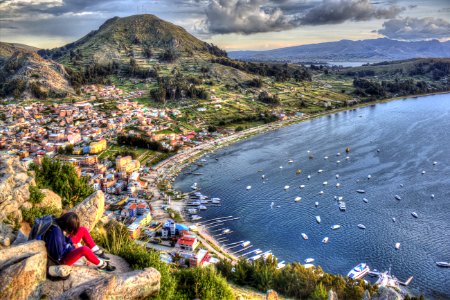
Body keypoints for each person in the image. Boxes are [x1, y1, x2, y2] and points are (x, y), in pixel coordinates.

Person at [44, 212, 116, 272]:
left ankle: (96, 251)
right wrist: (73, 249)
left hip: (64, 247)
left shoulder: (57, 224)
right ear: (68, 226)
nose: (71, 232)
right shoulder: (56, 234)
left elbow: (64, 239)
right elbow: (58, 255)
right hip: (61, 261)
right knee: (84, 249)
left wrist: (72, 243)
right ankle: (102, 265)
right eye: (71, 229)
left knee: (82, 230)